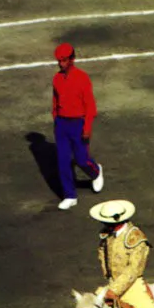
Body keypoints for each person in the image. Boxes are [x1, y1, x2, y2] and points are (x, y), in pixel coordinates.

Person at [52, 43, 104, 210]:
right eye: (59, 61)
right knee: (63, 161)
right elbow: (55, 101)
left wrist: (87, 127)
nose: (61, 64)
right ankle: (70, 195)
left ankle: (95, 172)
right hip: (61, 124)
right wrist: (56, 117)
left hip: (78, 123)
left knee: (82, 159)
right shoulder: (57, 79)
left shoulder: (82, 78)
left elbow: (90, 106)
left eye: (64, 60)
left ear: (72, 59)